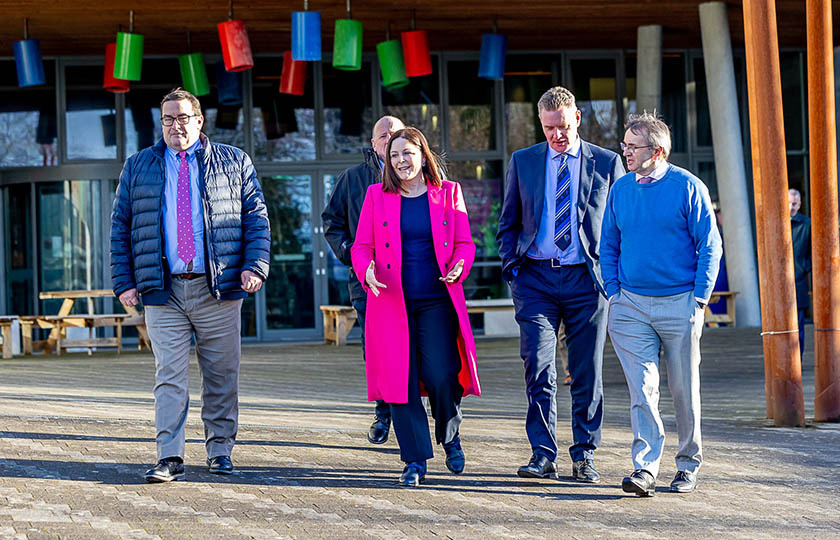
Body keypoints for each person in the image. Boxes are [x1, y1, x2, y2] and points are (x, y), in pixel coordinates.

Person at [111, 88, 270, 483]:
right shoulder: (138, 166)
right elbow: (120, 228)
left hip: (218, 289)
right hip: (162, 290)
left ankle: (220, 450)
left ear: (200, 121)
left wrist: (255, 266)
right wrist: (124, 282)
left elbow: (257, 220)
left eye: (183, 118)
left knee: (221, 373)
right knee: (169, 374)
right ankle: (170, 456)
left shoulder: (235, 162)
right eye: (168, 119)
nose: (175, 125)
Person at [497, 86, 625, 483]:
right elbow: (508, 223)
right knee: (538, 365)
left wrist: (614, 276)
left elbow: (622, 225)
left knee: (586, 371)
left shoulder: (607, 163)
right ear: (540, 123)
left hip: (586, 280)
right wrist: (512, 269)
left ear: (578, 120)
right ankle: (543, 453)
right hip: (535, 278)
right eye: (550, 128)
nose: (558, 135)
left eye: (565, 126)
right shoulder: (524, 161)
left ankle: (584, 454)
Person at [351, 126, 481, 487]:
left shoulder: (449, 193)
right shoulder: (376, 196)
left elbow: (465, 243)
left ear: (423, 155)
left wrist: (460, 264)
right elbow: (361, 247)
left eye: (407, 153)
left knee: (441, 374)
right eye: (394, 156)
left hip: (437, 300)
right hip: (390, 303)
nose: (401, 161)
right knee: (400, 382)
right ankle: (414, 461)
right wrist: (367, 270)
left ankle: (450, 436)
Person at [601, 112, 722, 496]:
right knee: (642, 388)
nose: (625, 152)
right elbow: (608, 245)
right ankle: (645, 468)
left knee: (683, 389)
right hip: (630, 306)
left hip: (680, 303)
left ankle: (688, 464)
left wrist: (699, 298)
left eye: (632, 147)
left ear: (658, 150)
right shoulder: (620, 189)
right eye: (624, 145)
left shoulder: (688, 187)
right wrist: (614, 291)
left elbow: (710, 245)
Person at [322, 115, 405, 445]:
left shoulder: (421, 176)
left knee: (416, 346)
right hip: (368, 282)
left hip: (413, 281)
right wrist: (350, 254)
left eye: (396, 134)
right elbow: (332, 222)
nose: (389, 139)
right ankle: (383, 412)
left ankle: (413, 410)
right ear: (373, 144)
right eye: (383, 136)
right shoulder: (353, 179)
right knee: (378, 349)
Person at [789, 188, 811, 359]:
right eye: (789, 203)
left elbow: (814, 252)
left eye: (795, 204)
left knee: (800, 326)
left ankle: (798, 360)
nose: (791, 207)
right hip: (781, 282)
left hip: (799, 280)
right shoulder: (777, 222)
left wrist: (803, 267)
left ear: (800, 204)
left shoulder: (807, 224)